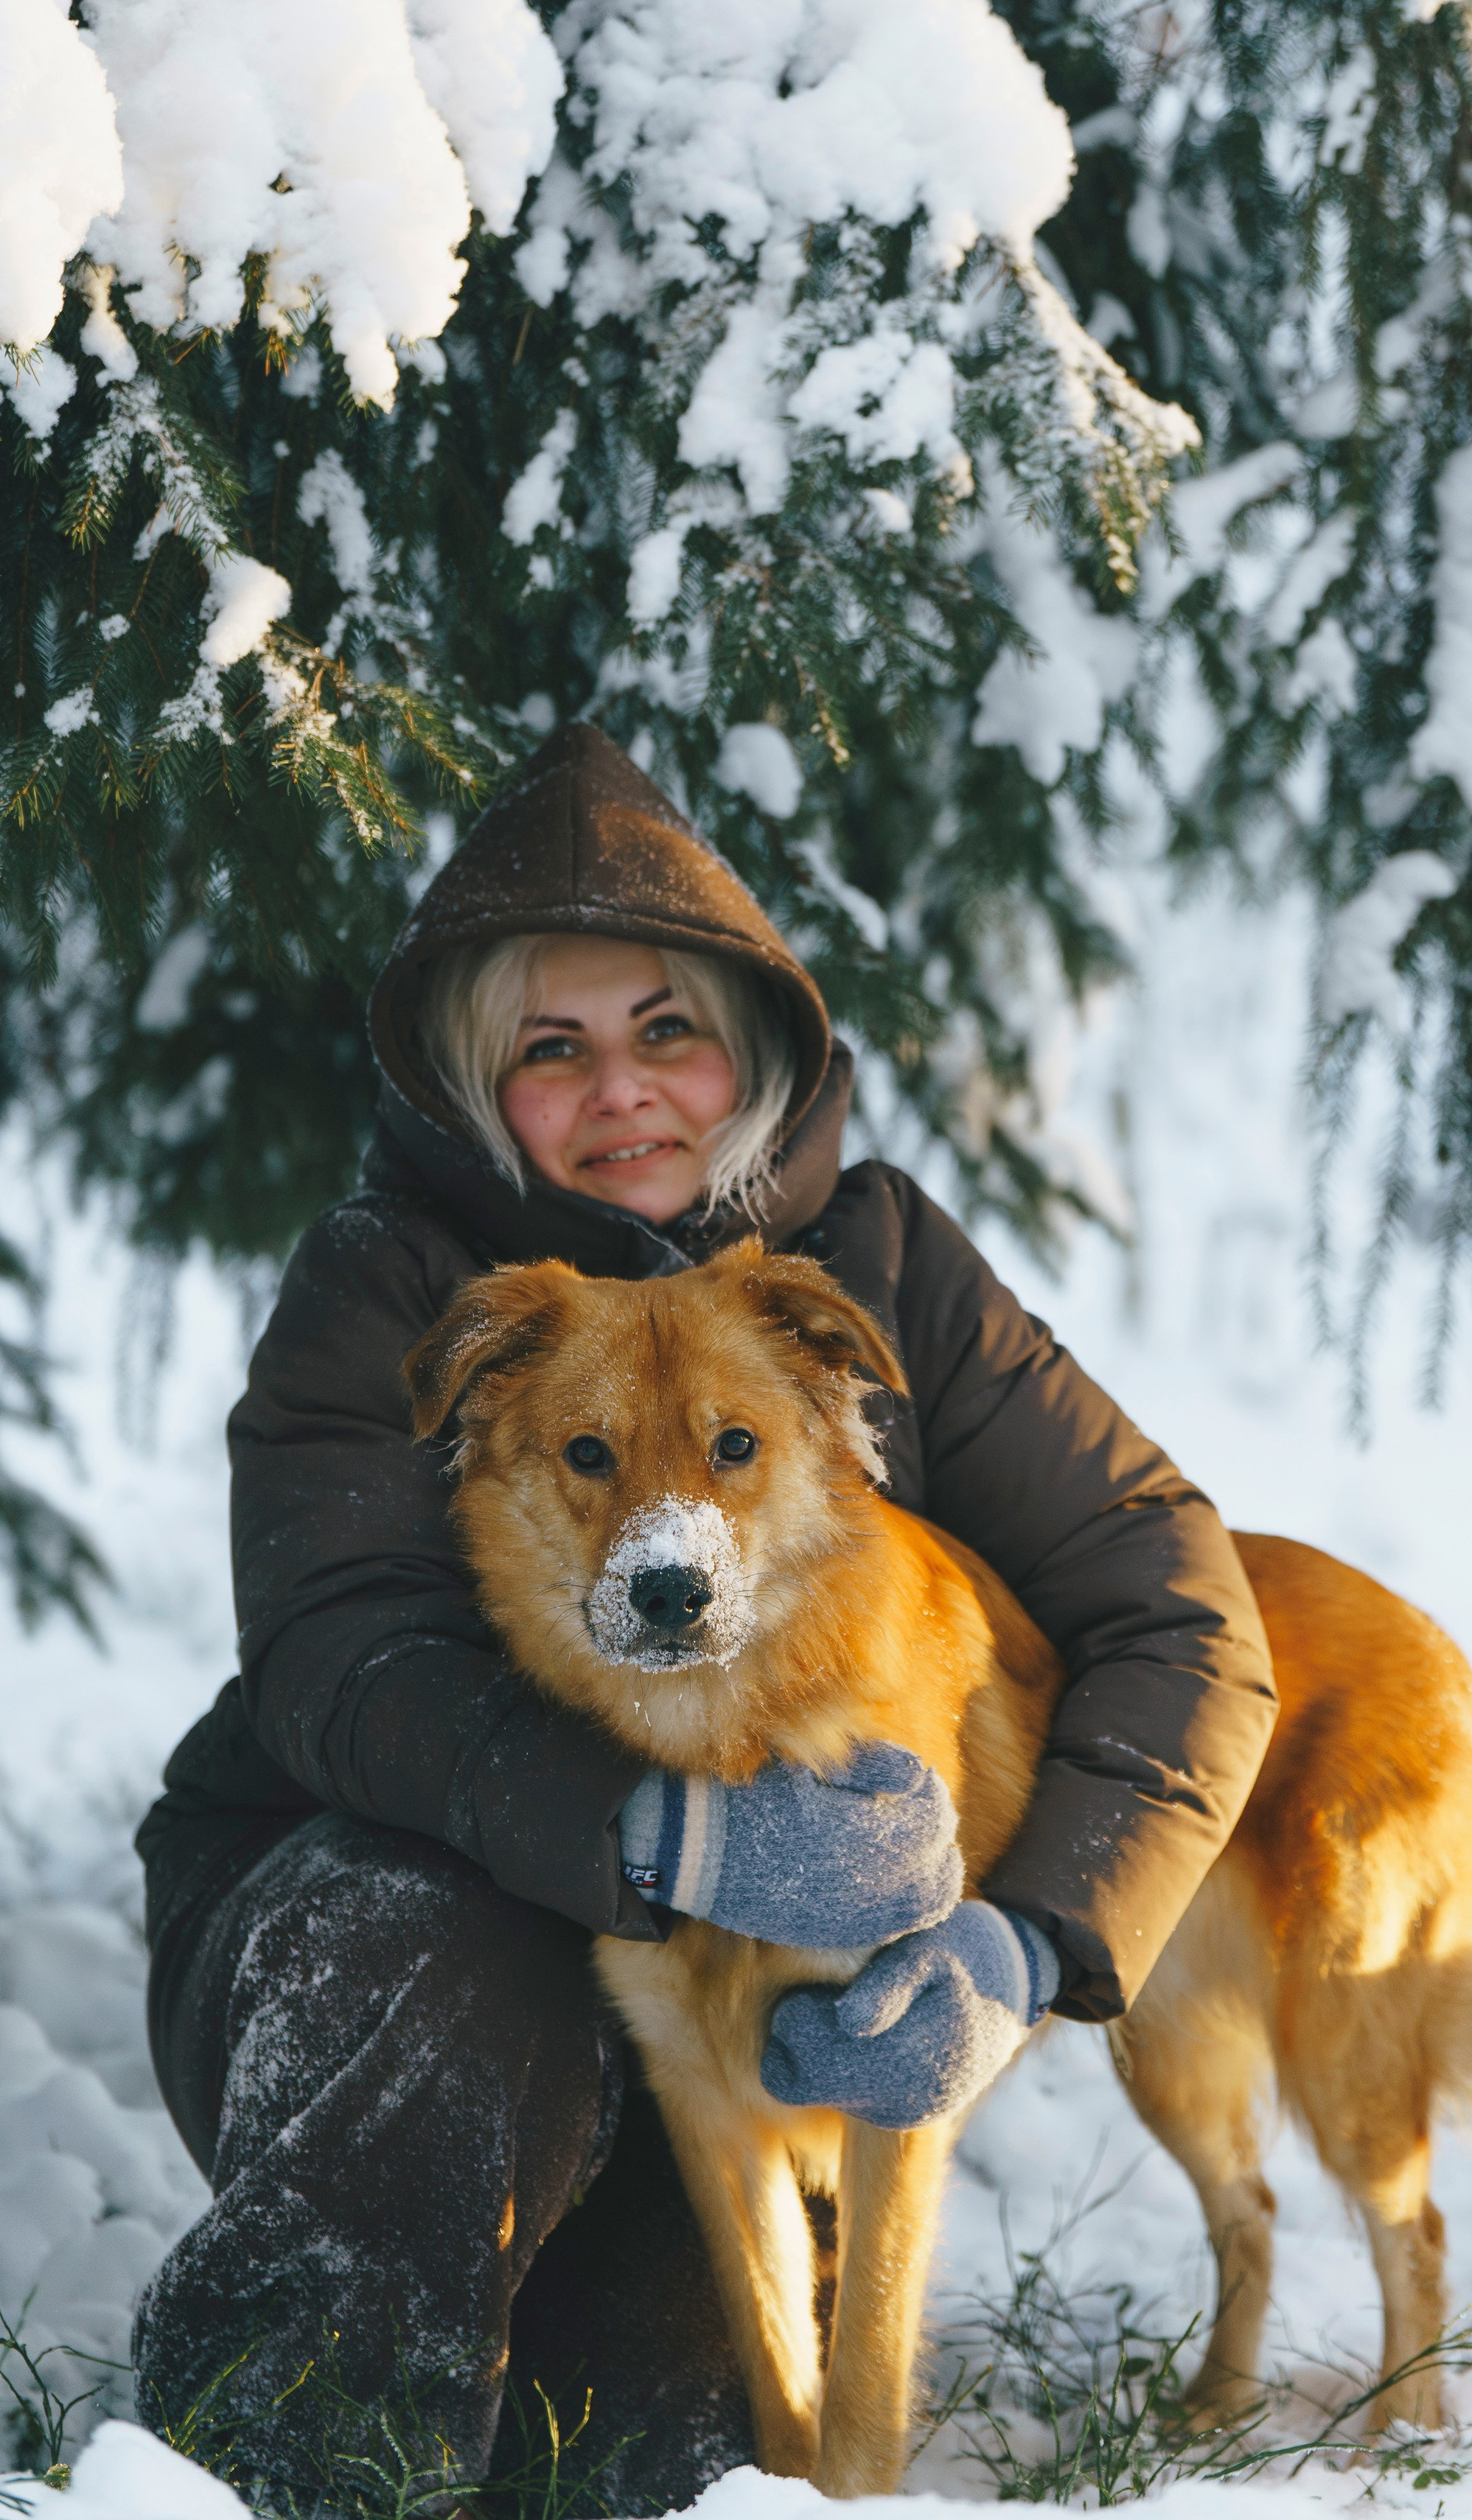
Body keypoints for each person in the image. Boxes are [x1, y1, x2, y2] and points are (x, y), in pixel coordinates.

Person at [132, 724, 1277, 2510]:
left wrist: (1028, 1946)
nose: (624, 1091)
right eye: (551, 1048)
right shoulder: (397, 1285)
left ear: (746, 1041)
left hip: (716, 2044)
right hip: (373, 1976)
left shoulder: (879, 1264)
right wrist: (662, 1836)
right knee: (445, 1935)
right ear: (471, 1082)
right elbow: (337, 1654)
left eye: (665, 1028)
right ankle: (291, 2453)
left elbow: (1179, 1609)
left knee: (664, 2448)